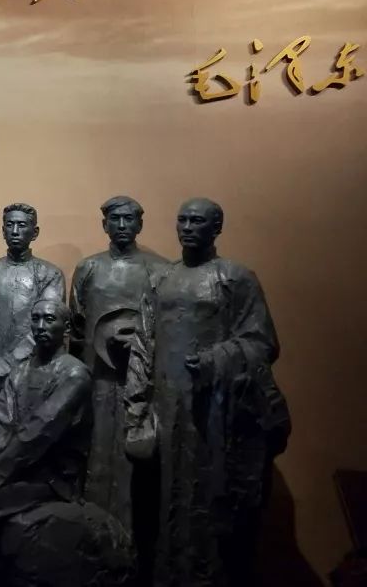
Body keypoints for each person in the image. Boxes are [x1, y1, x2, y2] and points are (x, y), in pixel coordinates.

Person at [128, 198, 290, 587]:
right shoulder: (161, 278)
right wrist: (137, 405)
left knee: (207, 497)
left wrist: (216, 360)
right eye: (182, 219)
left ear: (216, 228)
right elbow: (143, 342)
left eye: (197, 221)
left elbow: (262, 341)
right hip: (166, 405)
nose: (187, 227)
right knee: (164, 497)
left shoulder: (235, 277)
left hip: (213, 411)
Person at [0, 300, 134, 587]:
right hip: (14, 470)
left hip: (50, 478)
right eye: (36, 319)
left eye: (49, 320)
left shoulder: (75, 375)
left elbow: (37, 434)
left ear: (66, 327)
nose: (41, 326)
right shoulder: (20, 372)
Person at [69, 196, 167, 546]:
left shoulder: (159, 270)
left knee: (133, 458)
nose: (122, 225)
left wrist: (138, 344)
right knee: (94, 452)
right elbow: (76, 326)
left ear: (140, 224)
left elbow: (164, 328)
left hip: (140, 382)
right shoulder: (88, 268)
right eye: (115, 219)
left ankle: (132, 542)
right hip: (96, 378)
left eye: (128, 219)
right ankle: (91, 537)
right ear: (104, 225)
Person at [0, 202, 65, 425]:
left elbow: (47, 323)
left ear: (35, 232)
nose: (15, 231)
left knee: (28, 435)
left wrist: (9, 363)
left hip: (33, 373)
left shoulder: (49, 274)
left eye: (22, 225)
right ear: (3, 231)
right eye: (10, 225)